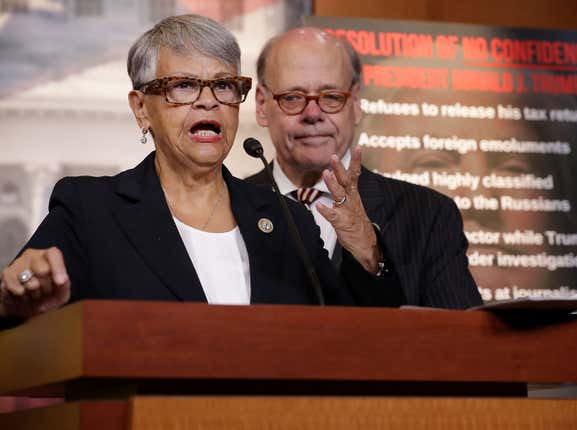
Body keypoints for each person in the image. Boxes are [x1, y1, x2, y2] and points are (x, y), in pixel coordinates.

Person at [0, 15, 403, 325]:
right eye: (184, 86)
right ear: (142, 109)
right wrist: (17, 293)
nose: (208, 102)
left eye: (224, 86)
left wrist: (367, 250)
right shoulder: (91, 210)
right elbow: (13, 306)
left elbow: (350, 336)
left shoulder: (286, 220)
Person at [247, 27, 482, 308]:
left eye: (331, 97)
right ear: (262, 105)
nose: (313, 114)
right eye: (293, 97)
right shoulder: (227, 206)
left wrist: (372, 256)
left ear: (356, 102)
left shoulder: (427, 216)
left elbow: (461, 340)